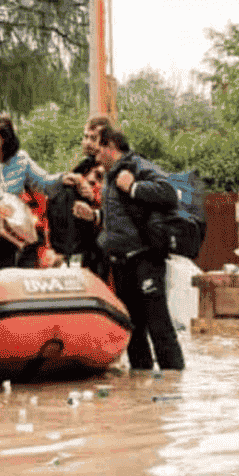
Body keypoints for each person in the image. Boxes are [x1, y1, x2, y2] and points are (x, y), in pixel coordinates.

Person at [94, 128, 184, 371]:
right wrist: (94, 216)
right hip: (121, 261)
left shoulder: (137, 166)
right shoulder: (109, 176)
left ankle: (174, 383)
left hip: (145, 257)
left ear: (110, 146)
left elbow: (169, 193)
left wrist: (134, 188)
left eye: (98, 147)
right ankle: (142, 385)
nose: (94, 153)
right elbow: (117, 215)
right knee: (133, 328)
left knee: (158, 323)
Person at [0, 113, 73, 277]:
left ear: (4, 139)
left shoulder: (21, 160)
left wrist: (63, 179)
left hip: (5, 240)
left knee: (3, 289)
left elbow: (43, 182)